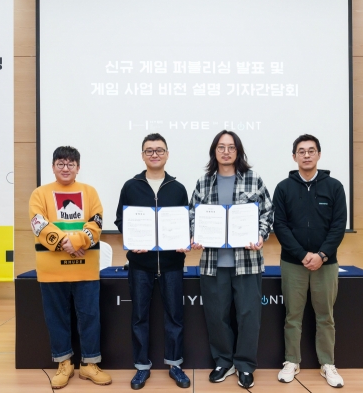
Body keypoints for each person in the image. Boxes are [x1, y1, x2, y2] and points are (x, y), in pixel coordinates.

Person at [189, 130, 273, 389]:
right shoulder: (204, 182)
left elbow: (267, 213)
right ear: (214, 151)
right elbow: (193, 214)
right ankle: (223, 362)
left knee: (249, 315)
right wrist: (196, 234)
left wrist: (260, 235)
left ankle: (245, 366)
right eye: (221, 147)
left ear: (238, 151)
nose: (226, 151)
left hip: (247, 261)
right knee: (217, 315)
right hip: (214, 264)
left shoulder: (253, 179)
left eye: (231, 147)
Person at [28, 146, 112, 389]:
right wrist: (65, 243)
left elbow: (96, 223)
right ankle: (64, 363)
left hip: (85, 268)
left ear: (78, 167)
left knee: (90, 317)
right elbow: (38, 223)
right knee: (57, 318)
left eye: (70, 164)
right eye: (61, 163)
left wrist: (76, 241)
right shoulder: (39, 194)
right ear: (53, 166)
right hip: (51, 270)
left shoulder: (90, 192)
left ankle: (89, 365)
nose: (66, 168)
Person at [114, 133, 191, 390]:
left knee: (175, 316)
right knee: (139, 317)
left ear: (167, 154)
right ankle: (141, 367)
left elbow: (186, 223)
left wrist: (186, 239)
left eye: (159, 150)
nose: (154, 154)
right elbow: (121, 219)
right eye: (149, 150)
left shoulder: (178, 188)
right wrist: (131, 238)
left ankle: (175, 365)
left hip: (171, 264)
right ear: (143, 155)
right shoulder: (131, 186)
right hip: (140, 264)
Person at [273, 134, 347, 388]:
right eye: (301, 151)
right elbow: (280, 226)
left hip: (326, 263)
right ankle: (292, 361)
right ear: (294, 156)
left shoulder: (334, 186)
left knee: (325, 316)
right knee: (292, 315)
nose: (306, 155)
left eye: (311, 151)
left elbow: (338, 226)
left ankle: (327, 364)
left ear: (318, 155)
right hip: (294, 263)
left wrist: (322, 255)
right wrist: (303, 255)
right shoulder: (284, 187)